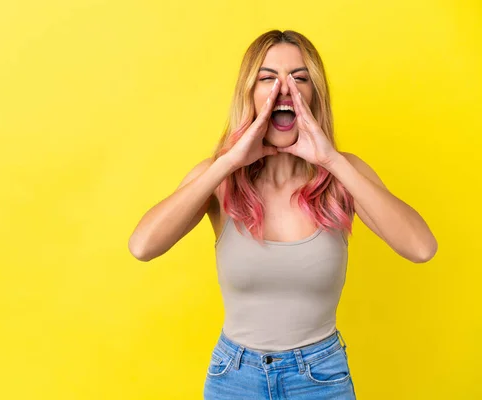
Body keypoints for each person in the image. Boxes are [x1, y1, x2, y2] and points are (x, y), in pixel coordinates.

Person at [128, 30, 437, 400]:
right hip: (234, 378)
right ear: (250, 94)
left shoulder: (341, 177)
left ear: (314, 95)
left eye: (299, 78)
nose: (284, 89)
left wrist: (331, 160)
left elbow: (421, 248)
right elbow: (142, 246)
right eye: (268, 78)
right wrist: (227, 161)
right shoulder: (221, 180)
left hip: (321, 378)